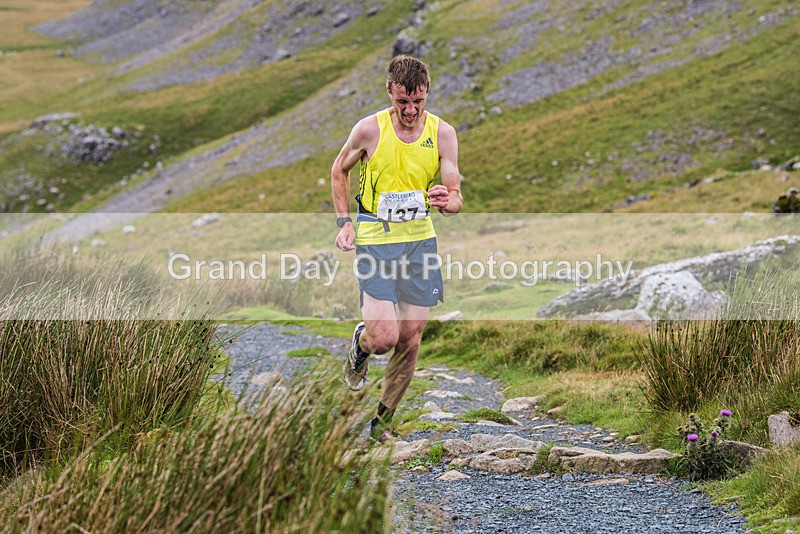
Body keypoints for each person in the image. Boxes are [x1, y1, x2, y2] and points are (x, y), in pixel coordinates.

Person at [331, 55, 463, 442]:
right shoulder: (369, 130)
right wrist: (344, 223)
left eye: (418, 102)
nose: (409, 111)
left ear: (426, 94)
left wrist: (445, 199)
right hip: (375, 239)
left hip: (419, 241)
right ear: (389, 91)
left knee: (411, 338)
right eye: (402, 102)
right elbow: (339, 169)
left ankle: (382, 425)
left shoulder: (443, 133)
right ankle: (362, 342)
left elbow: (455, 198)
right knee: (385, 338)